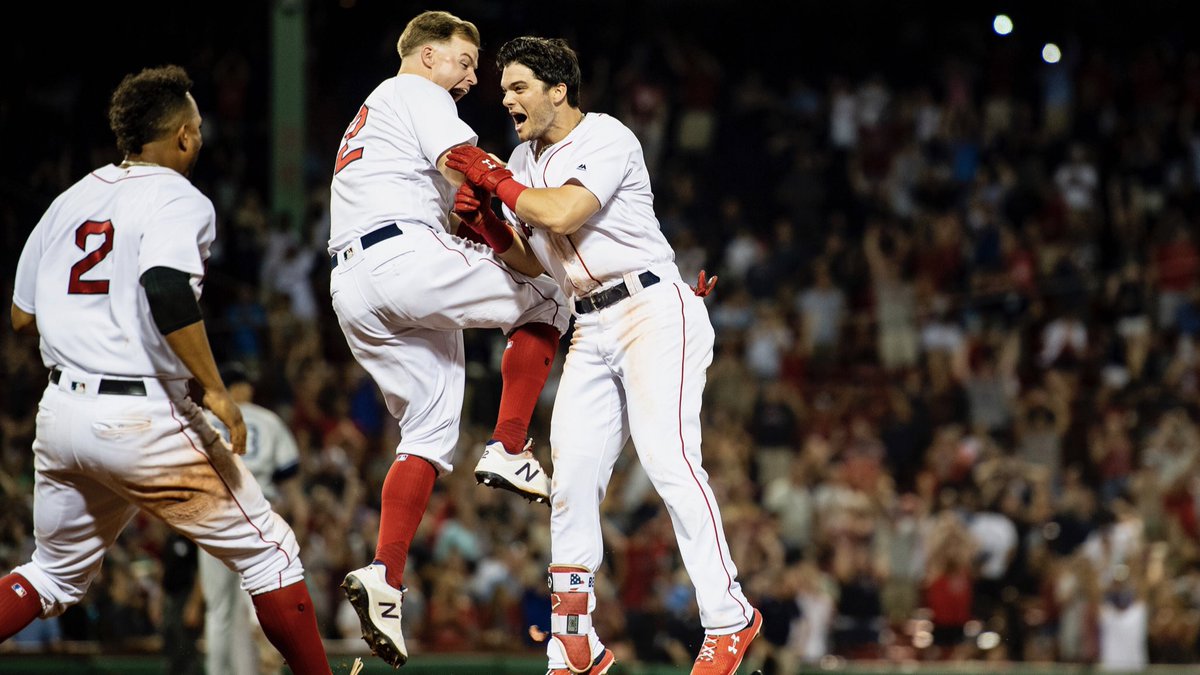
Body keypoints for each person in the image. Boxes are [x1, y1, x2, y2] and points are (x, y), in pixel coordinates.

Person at [2, 65, 332, 675]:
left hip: (62, 413)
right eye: (197, 127)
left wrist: (88, 329)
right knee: (272, 555)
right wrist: (216, 391)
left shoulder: (69, 200)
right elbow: (165, 286)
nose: (200, 136)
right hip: (141, 414)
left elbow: (22, 316)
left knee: (51, 575)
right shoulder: (180, 198)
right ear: (182, 135)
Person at [447, 36, 761, 675]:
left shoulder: (607, 136)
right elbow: (535, 261)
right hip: (588, 324)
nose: (506, 99)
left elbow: (565, 212)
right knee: (572, 477)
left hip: (651, 308)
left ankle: (729, 616)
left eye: (518, 87)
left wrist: (494, 180)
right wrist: (488, 225)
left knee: (670, 461)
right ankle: (574, 639)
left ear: (558, 90)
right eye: (504, 89)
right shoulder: (521, 159)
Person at [326, 10, 569, 668]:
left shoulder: (378, 117)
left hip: (355, 285)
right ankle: (510, 445)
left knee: (429, 435)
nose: (469, 77)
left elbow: (466, 210)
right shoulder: (414, 89)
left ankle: (385, 575)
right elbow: (464, 161)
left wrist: (484, 218)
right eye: (464, 60)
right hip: (402, 256)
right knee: (554, 295)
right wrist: (523, 196)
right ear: (427, 54)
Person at [201, 363, 308, 675]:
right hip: (258, 510)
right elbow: (290, 479)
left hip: (213, 514)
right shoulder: (268, 420)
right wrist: (298, 515)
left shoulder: (203, 420)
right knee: (261, 598)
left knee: (219, 611)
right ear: (239, 388)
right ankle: (266, 657)